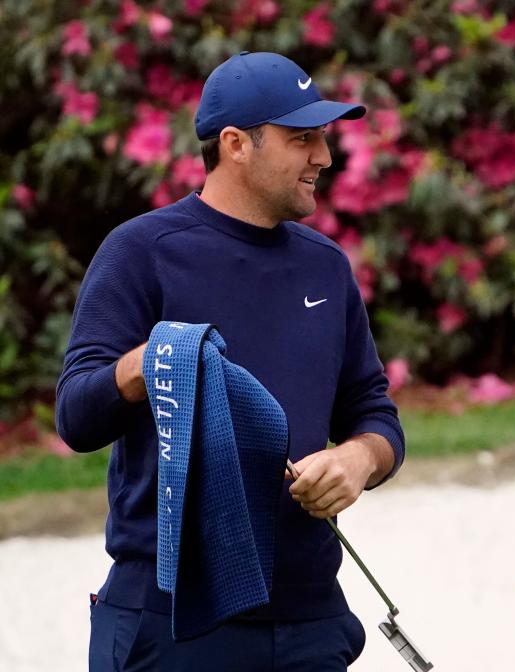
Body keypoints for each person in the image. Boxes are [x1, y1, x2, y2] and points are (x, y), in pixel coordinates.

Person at [56, 51, 404, 671]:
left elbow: (374, 413)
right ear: (237, 144)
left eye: (323, 139)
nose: (323, 158)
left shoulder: (325, 264)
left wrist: (358, 459)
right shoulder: (141, 252)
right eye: (303, 140)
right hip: (170, 624)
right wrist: (150, 362)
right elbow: (77, 417)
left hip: (309, 623)